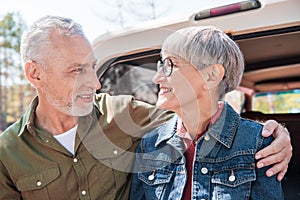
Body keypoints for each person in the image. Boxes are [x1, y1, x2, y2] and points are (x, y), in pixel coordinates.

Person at [0, 16, 291, 200]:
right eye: (77, 70)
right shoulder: (6, 154)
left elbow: (203, 117)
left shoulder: (127, 115)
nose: (96, 83)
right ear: (35, 74)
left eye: (91, 68)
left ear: (211, 75)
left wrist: (276, 132)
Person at [130, 26, 285, 200]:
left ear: (211, 75)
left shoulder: (258, 143)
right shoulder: (149, 144)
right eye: (161, 65)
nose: (156, 78)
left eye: (170, 65)